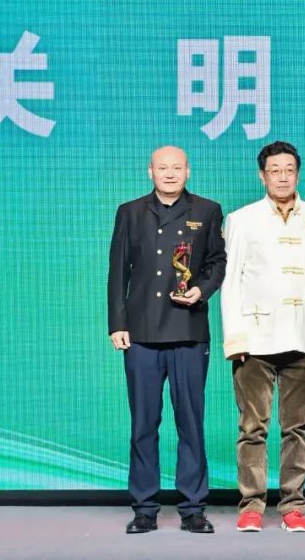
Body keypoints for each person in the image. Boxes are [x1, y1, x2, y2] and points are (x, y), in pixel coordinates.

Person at [107, 145, 226, 534]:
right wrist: (117, 324)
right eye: (163, 167)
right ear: (150, 171)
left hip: (188, 329)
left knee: (190, 421)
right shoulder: (130, 211)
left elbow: (217, 261)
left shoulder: (207, 210)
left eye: (177, 167)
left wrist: (202, 290)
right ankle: (144, 507)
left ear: (188, 171)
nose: (170, 173)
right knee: (143, 422)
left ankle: (193, 508)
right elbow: (118, 270)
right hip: (141, 331)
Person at [220, 141, 305, 533]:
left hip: (304, 333)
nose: (282, 177)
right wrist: (235, 338)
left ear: (297, 174)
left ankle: (293, 505)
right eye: (275, 170)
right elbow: (231, 281)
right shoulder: (242, 220)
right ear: (262, 175)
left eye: (289, 170)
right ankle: (251, 504)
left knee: (297, 427)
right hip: (255, 338)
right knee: (252, 427)